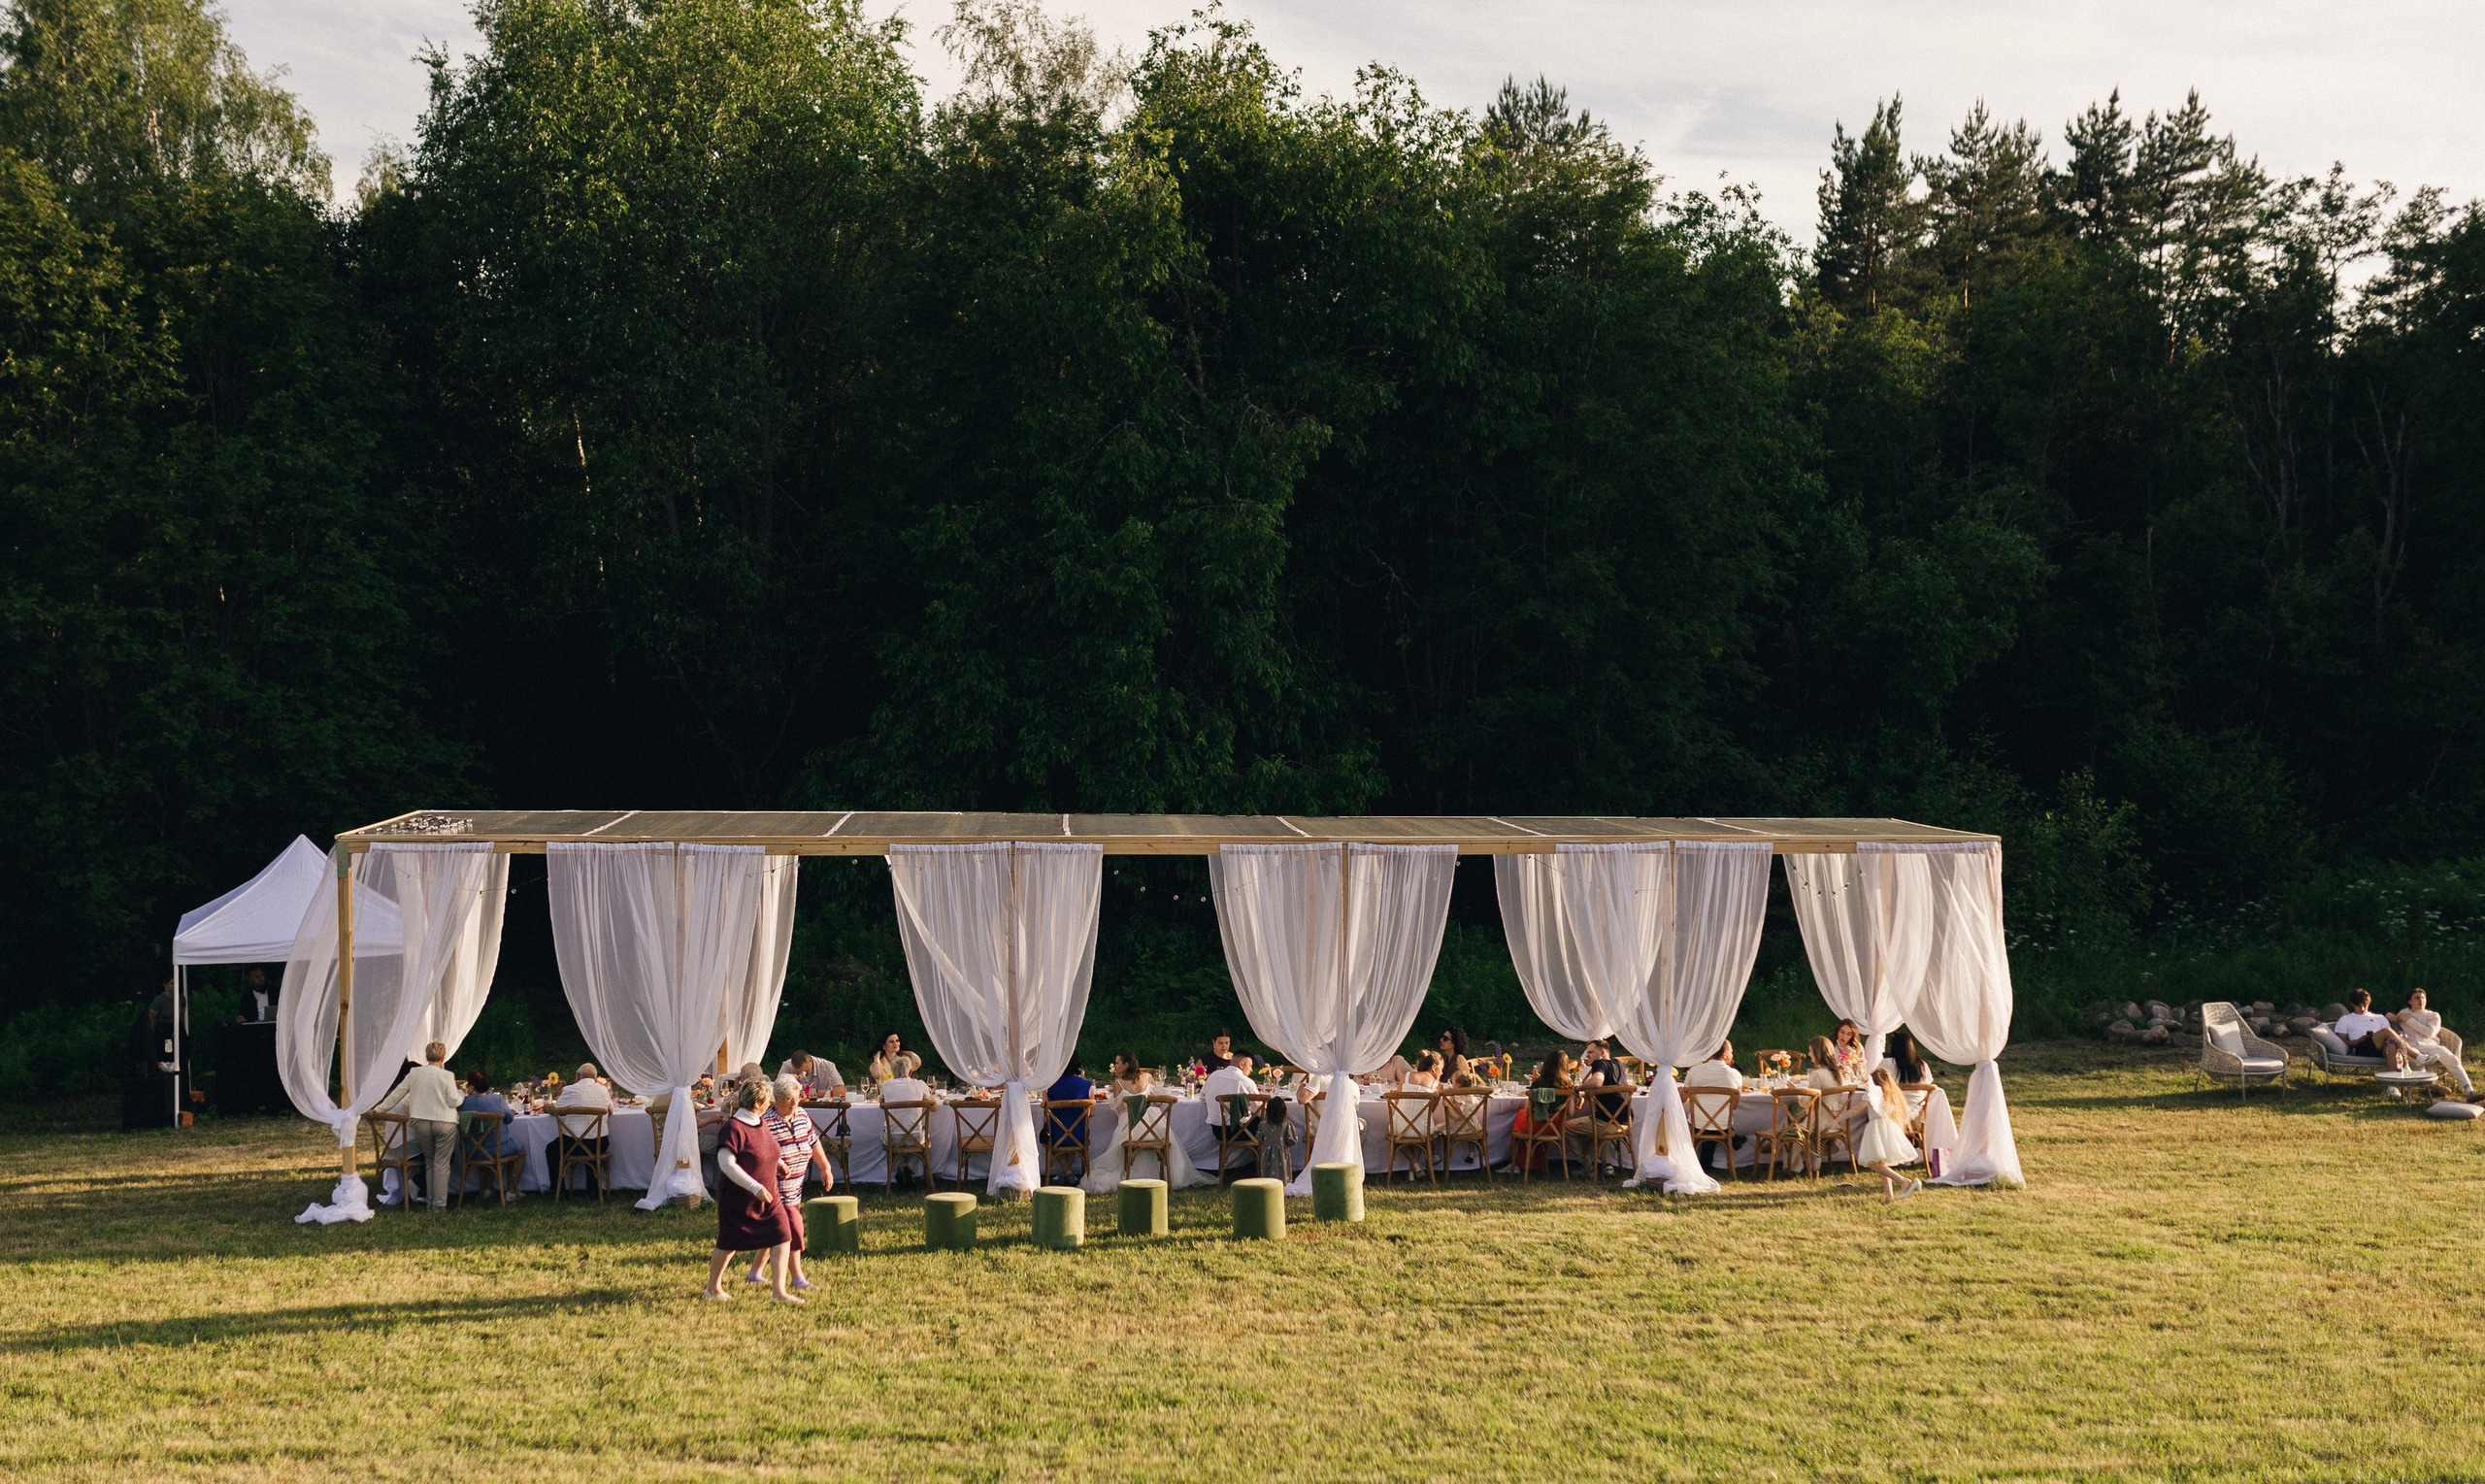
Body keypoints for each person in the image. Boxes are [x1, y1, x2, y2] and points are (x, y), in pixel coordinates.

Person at [706, 1076, 797, 1302]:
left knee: (782, 1235)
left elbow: (766, 1149)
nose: (770, 1103)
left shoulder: (760, 1121)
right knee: (728, 1244)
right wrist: (754, 1187)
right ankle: (712, 1289)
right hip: (738, 1199)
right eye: (768, 1100)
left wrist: (779, 1164)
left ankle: (779, 1292)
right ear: (757, 1104)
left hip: (768, 1196)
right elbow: (726, 1164)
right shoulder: (734, 1128)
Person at [749, 1075, 824, 1293]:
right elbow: (762, 1154)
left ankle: (754, 1273)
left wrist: (825, 1167)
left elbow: (813, 1140)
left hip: (796, 1188)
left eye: (797, 1098)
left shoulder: (801, 1114)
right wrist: (779, 1162)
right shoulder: (767, 1122)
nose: (795, 1103)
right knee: (792, 1229)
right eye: (789, 1099)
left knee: (774, 1231)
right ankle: (798, 1277)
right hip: (777, 1189)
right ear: (778, 1099)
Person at [372, 1041, 462, 1210]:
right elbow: (453, 1100)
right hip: (444, 1122)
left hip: (421, 1122)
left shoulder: (414, 1073)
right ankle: (439, 1205)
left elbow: (396, 1094)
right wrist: (462, 1095)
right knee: (441, 1163)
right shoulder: (447, 1075)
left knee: (429, 1162)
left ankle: (429, 1202)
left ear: (427, 1056)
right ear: (443, 1057)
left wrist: (378, 1109)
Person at [2388, 988, 2474, 1096]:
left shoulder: (2433, 1016)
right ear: (2410, 1001)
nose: (2421, 1000)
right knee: (2415, 1061)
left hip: (2430, 1045)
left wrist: (2409, 1020)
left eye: (2423, 998)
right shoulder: (2404, 1013)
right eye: (2417, 998)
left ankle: (2470, 1091)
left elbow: (2429, 1032)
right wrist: (2389, 1016)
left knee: (2452, 1059)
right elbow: (2393, 1023)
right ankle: (2432, 1086)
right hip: (2411, 1046)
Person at [1855, 1066, 1923, 1202]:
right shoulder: (1891, 1095)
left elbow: (1856, 1109)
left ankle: (1904, 1181)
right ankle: (1889, 1196)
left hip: (1876, 1128)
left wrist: (1838, 1119)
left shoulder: (1872, 1095)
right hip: (1887, 1128)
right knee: (1882, 1163)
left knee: (1874, 1163)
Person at [456, 1070, 521, 1171]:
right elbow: (510, 1119)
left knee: (483, 1142)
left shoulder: (461, 1103)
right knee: (521, 1149)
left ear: (469, 1086)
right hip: (498, 1150)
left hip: (470, 1150)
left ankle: (485, 1186)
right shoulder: (497, 1100)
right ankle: (511, 1186)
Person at [2334, 991, 2406, 1063]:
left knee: (2392, 1046)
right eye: (2359, 1006)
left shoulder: (2380, 1018)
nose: (2362, 1008)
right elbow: (2342, 1041)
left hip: (2381, 1048)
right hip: (2362, 1048)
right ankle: (2412, 1053)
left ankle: (2393, 1073)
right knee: (2386, 1031)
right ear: (2352, 1004)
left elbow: (2389, 1038)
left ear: (2369, 1003)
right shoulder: (2346, 1019)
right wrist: (2356, 1041)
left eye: (2364, 1005)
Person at [1204, 1054, 1262, 1138]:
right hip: (1241, 1131)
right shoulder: (1246, 1082)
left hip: (1217, 1131)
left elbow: (1202, 1098)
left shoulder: (1213, 1076)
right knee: (1271, 1118)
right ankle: (1270, 1150)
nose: (1251, 1070)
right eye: (1250, 1066)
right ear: (1241, 1064)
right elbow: (1259, 1110)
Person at [1045, 1059, 1096, 1151]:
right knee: (1073, 1135)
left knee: (1050, 1138)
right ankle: (1068, 1166)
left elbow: (1046, 1112)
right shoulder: (1086, 1085)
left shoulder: (1049, 1086)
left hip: (1055, 1134)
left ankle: (1066, 1166)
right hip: (1079, 1134)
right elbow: (1092, 1113)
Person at [779, 1050, 845, 1100]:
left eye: (805, 1071)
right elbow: (777, 1091)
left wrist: (815, 1092)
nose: (802, 1076)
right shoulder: (787, 1066)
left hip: (821, 1108)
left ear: (811, 1060)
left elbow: (841, 1092)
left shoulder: (827, 1066)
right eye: (797, 1073)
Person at [1831, 1019, 1867, 1083]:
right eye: (1842, 1032)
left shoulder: (1857, 1047)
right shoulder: (1830, 1045)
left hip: (1852, 1082)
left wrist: (1854, 1057)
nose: (1844, 1036)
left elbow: (1862, 1072)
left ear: (1852, 1035)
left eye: (1849, 1034)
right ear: (1837, 1031)